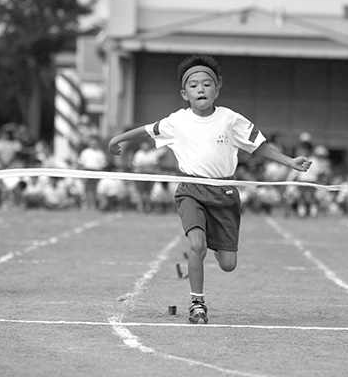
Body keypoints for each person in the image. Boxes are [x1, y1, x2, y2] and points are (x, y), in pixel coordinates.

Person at [108, 55, 311, 324]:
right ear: (184, 93)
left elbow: (257, 145)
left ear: (217, 88)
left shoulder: (231, 119)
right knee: (196, 244)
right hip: (191, 190)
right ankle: (197, 304)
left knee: (228, 264)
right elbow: (147, 130)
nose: (200, 89)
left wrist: (289, 161)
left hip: (224, 193)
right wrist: (117, 139)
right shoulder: (176, 121)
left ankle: (211, 241)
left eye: (206, 84)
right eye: (193, 86)